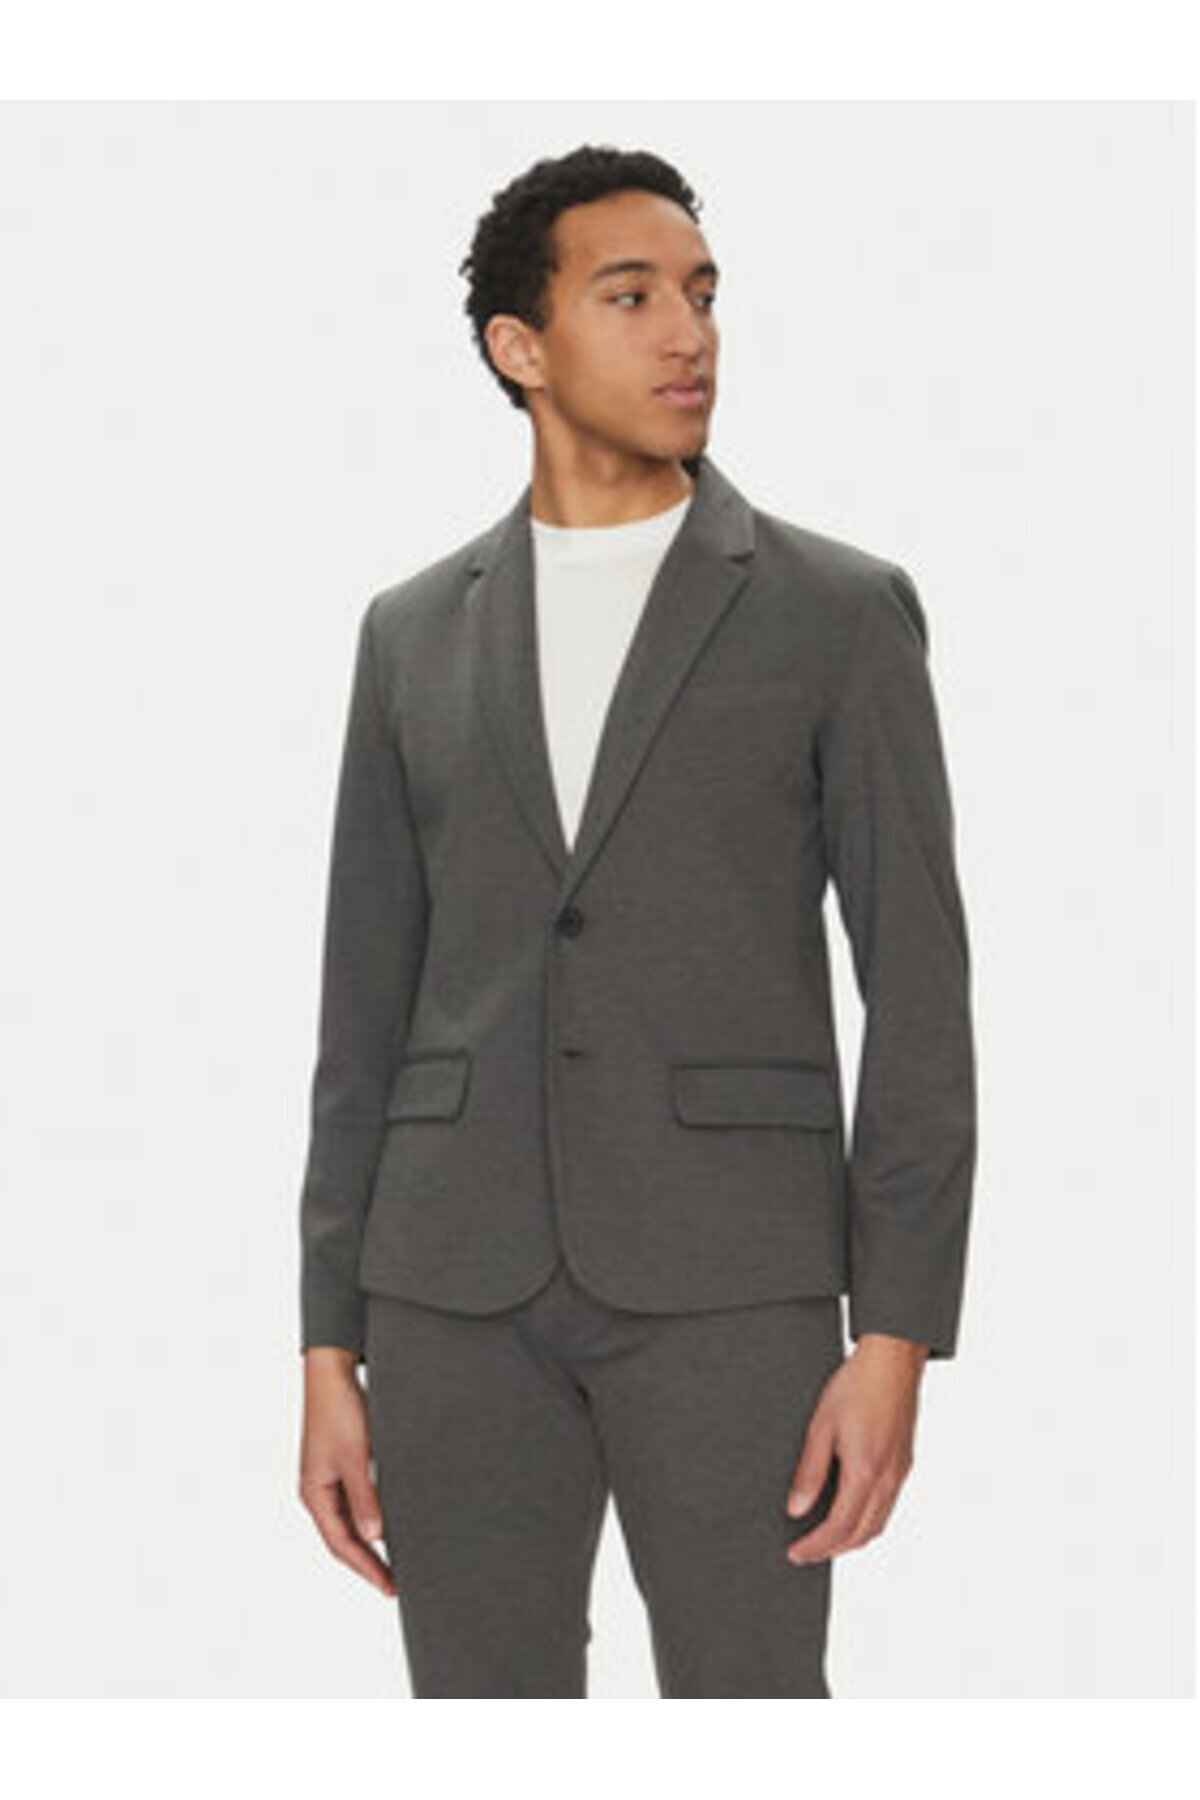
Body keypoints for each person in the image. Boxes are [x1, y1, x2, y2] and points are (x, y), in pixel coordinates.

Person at [296, 143, 977, 1698]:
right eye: (631, 296)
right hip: (449, 1288)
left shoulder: (834, 611)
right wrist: (328, 1340)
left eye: (703, 294)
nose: (690, 333)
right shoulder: (412, 632)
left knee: (750, 1715)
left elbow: (921, 996)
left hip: (735, 1283)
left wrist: (896, 1337)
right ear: (520, 348)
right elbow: (362, 1007)